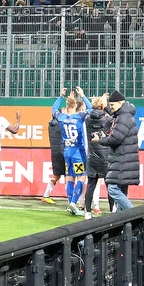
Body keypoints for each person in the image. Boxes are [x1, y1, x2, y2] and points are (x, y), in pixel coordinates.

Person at [92, 91, 139, 211]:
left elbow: (115, 139)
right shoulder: (124, 115)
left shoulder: (123, 118)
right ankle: (123, 223)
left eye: (112, 105)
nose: (111, 108)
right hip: (124, 159)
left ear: (120, 103)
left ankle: (134, 214)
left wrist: (101, 139)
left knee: (113, 188)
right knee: (122, 191)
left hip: (122, 159)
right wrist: (104, 103)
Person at [52, 86, 88, 216]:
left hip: (67, 152)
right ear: (75, 106)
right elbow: (90, 109)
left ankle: (69, 203)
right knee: (81, 177)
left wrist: (61, 96)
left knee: (70, 177)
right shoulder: (79, 117)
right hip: (78, 152)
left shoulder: (61, 117)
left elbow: (53, 109)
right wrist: (83, 95)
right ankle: (73, 203)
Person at [84, 95, 112, 218]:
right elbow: (115, 115)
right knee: (110, 185)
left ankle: (87, 212)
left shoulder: (87, 119)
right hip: (105, 156)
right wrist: (106, 105)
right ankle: (113, 211)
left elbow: (91, 112)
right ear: (102, 107)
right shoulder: (107, 120)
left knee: (91, 185)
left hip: (92, 157)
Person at [41, 112, 66, 205]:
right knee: (68, 175)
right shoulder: (62, 124)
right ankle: (71, 200)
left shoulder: (50, 125)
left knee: (56, 175)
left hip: (54, 152)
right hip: (63, 152)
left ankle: (46, 195)